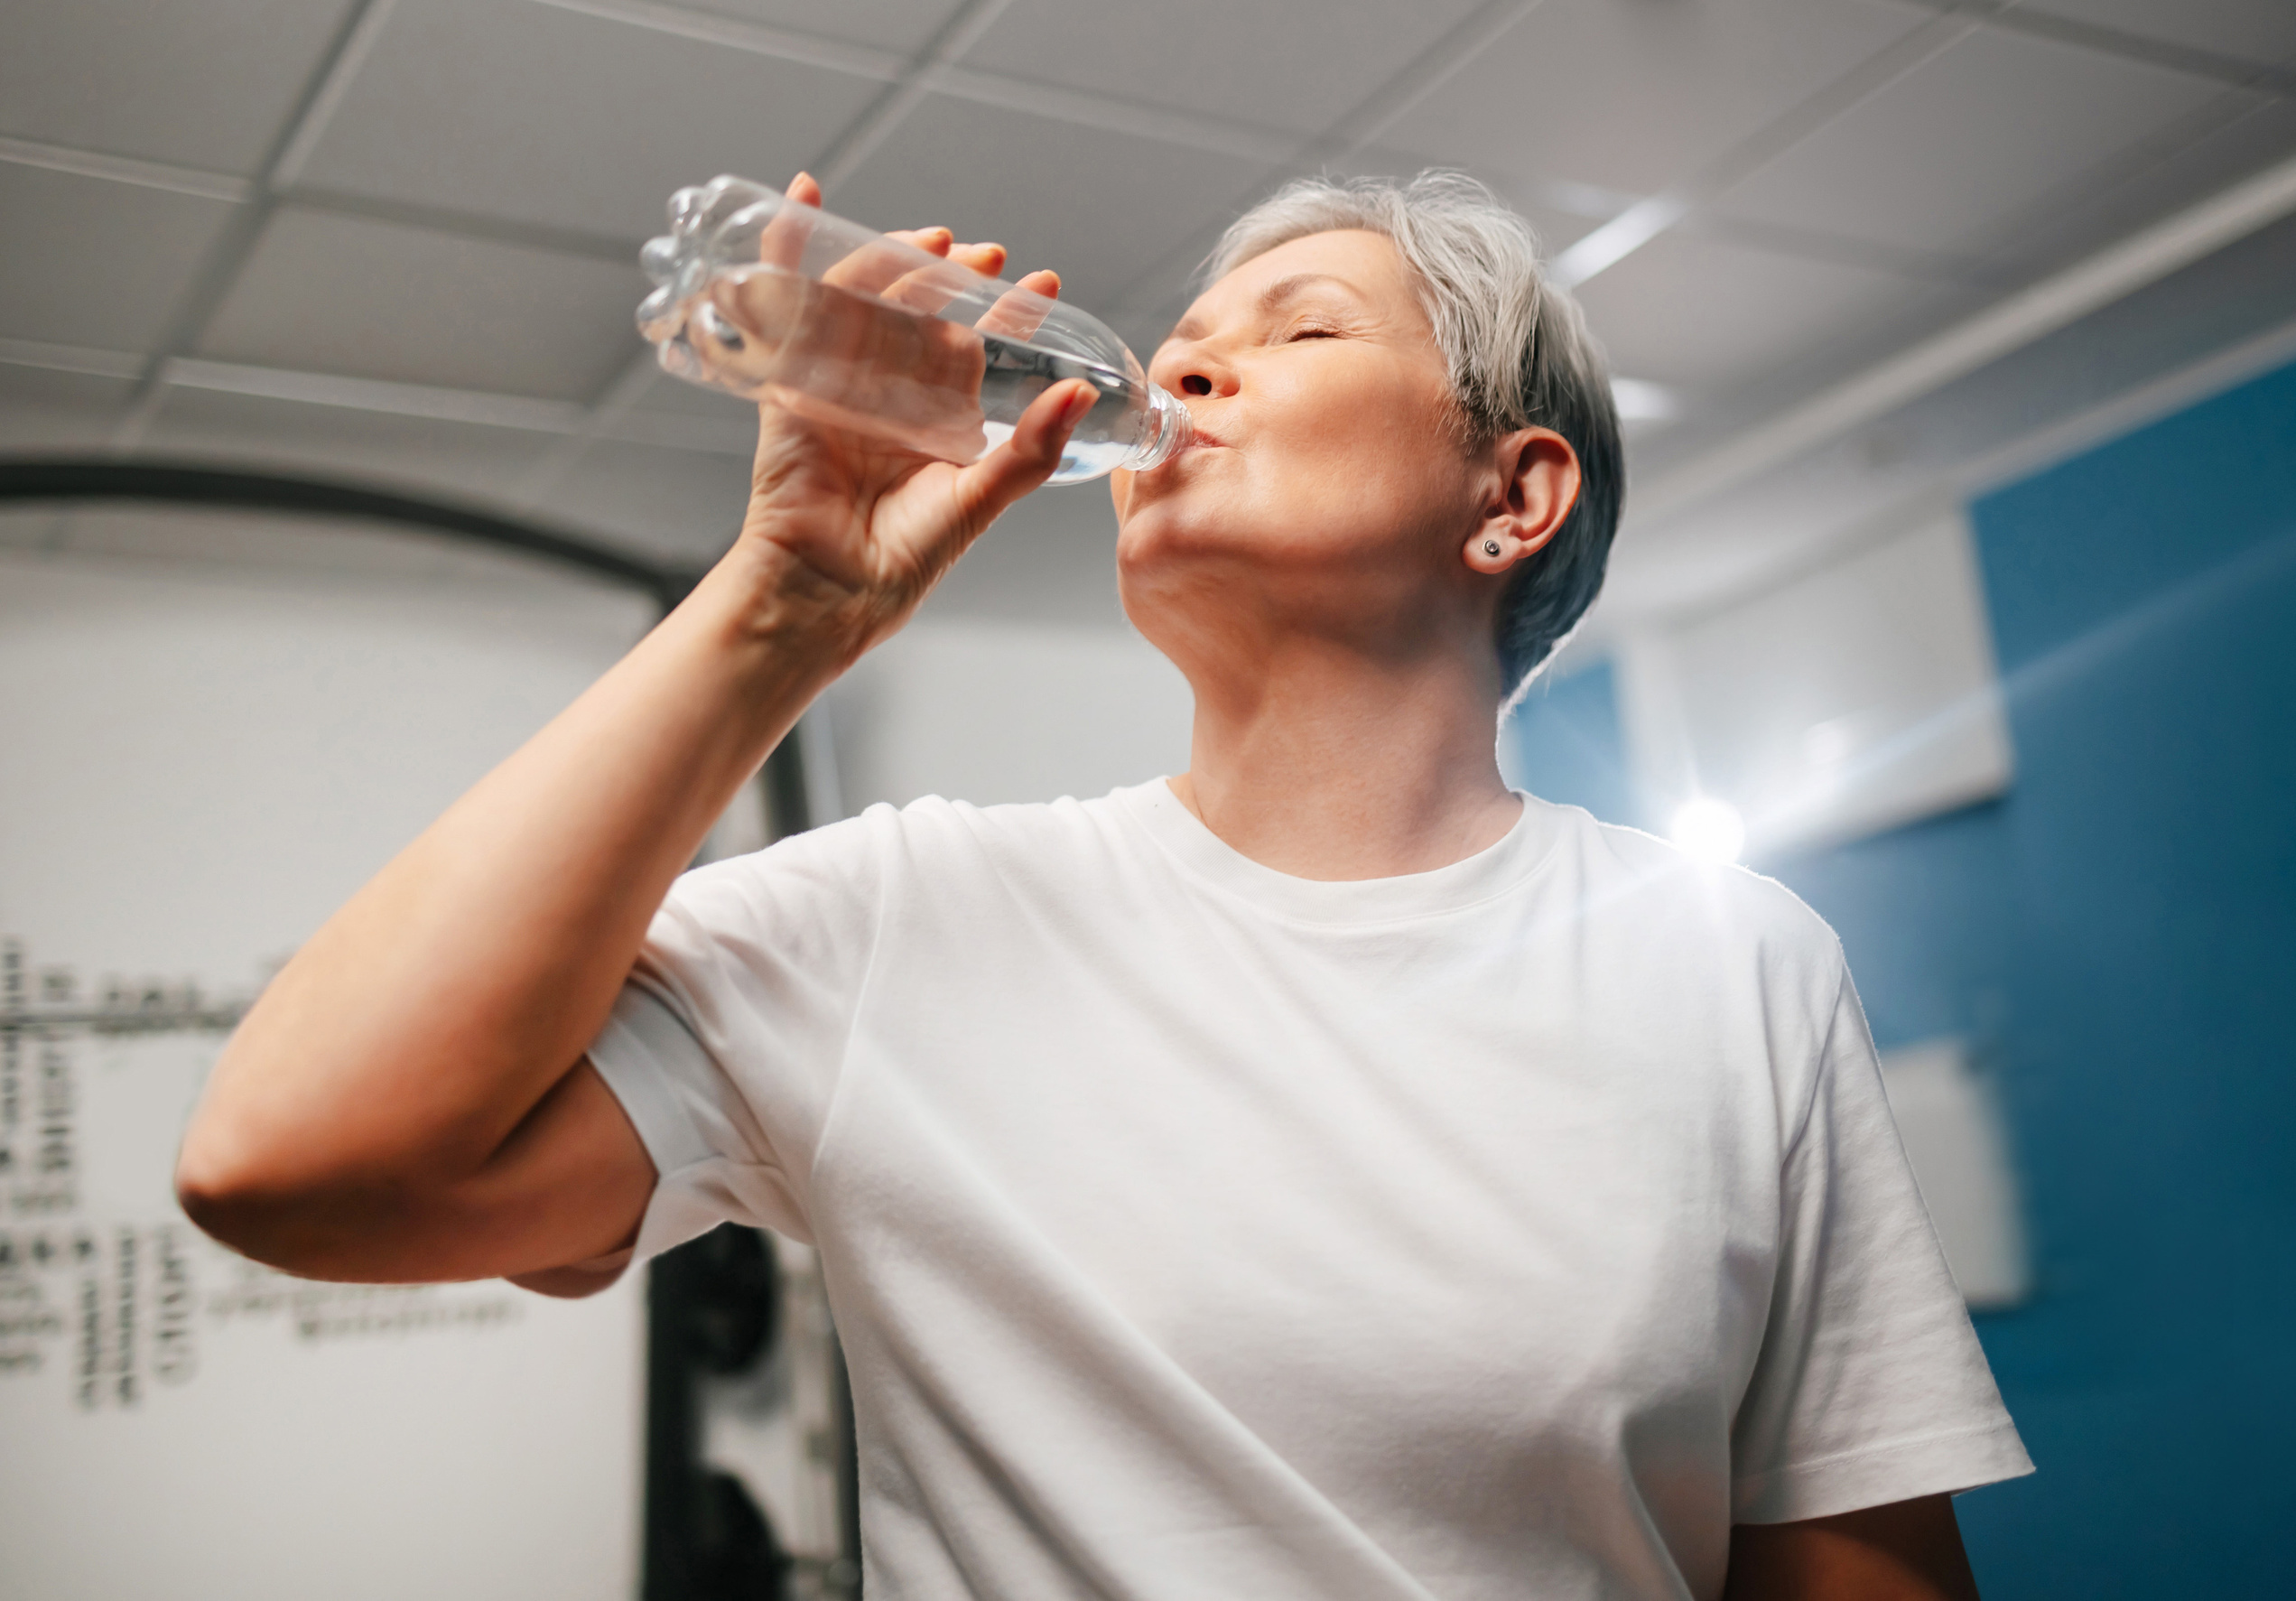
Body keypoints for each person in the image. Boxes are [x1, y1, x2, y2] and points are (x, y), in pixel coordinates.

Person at [176, 170, 2030, 1600]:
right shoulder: (900, 915)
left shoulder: (1732, 964)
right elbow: (291, 1162)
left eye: (1296, 331)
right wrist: (776, 614)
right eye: (1190, 333)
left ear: (1510, 491)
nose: (1187, 365)